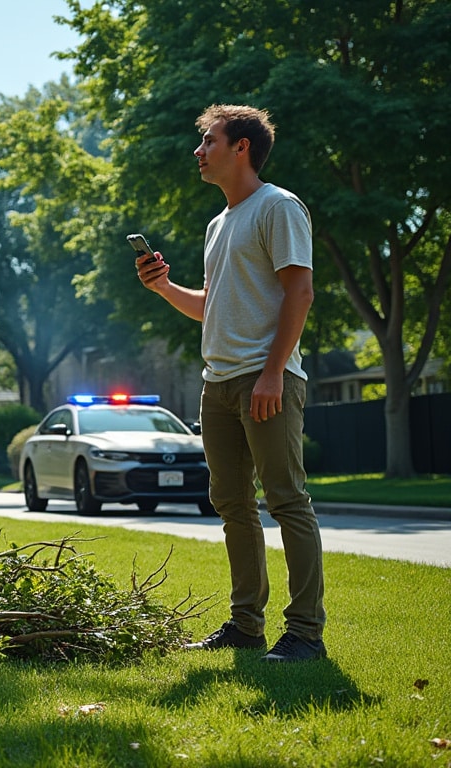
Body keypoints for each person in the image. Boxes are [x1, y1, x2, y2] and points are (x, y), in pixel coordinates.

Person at [136, 104, 326, 662]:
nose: (199, 152)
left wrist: (272, 373)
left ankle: (306, 634)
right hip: (217, 384)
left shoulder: (279, 207)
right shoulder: (218, 224)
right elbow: (211, 306)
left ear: (241, 147)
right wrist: (165, 288)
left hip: (264, 381)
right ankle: (246, 625)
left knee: (287, 500)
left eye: (208, 141)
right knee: (231, 504)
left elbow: (300, 293)